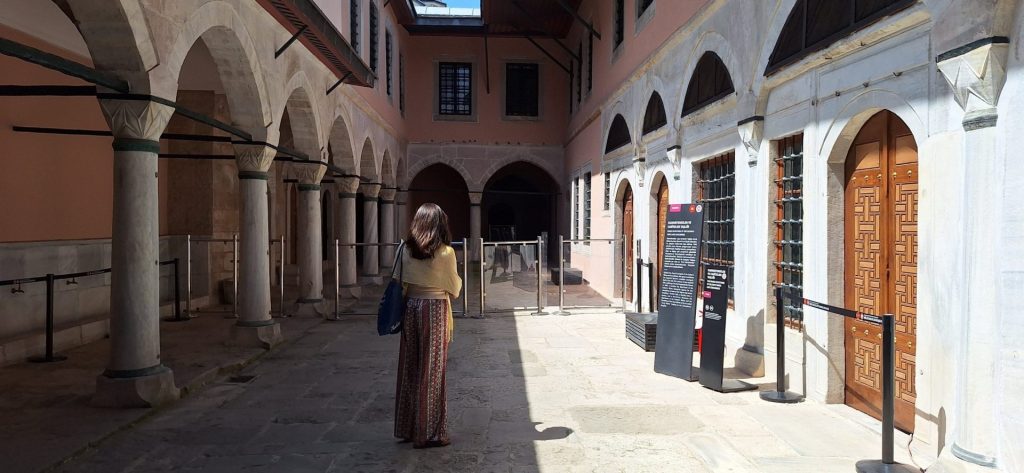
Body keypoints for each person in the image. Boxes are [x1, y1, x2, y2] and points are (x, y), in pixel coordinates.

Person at [394, 203, 462, 448]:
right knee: (432, 372)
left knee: (410, 367)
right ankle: (430, 433)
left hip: (411, 308)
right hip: (434, 309)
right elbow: (454, 289)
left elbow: (398, 281)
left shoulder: (405, 249)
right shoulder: (445, 253)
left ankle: (408, 428)